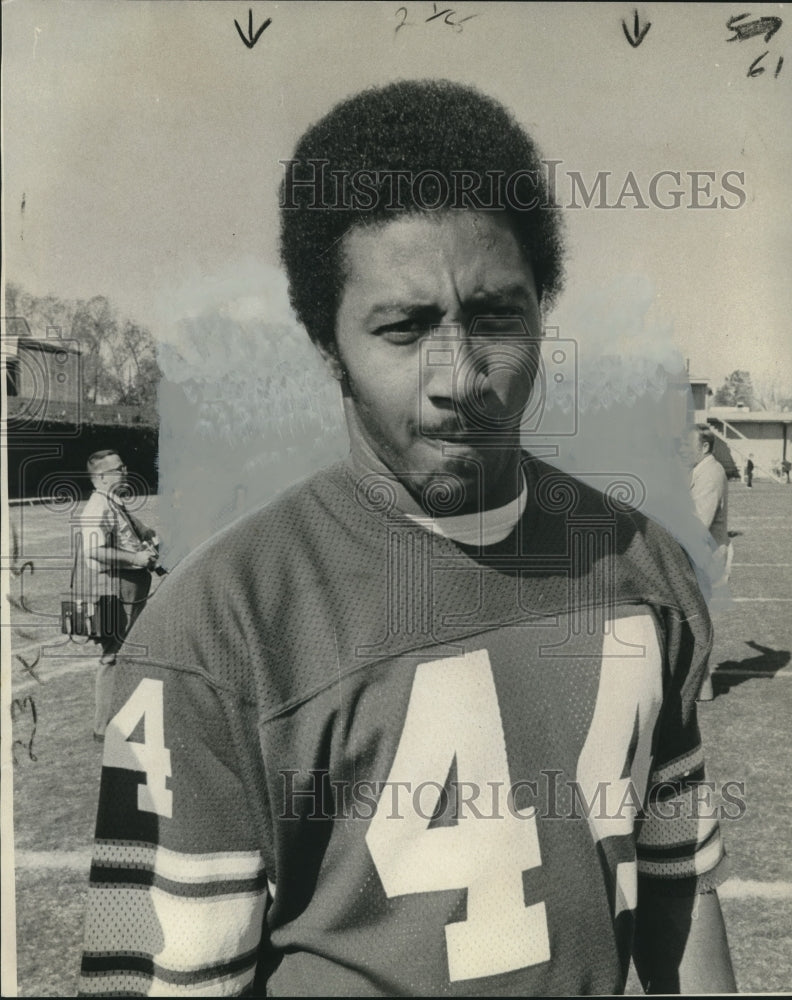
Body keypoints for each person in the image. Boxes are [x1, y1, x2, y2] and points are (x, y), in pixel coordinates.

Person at [78, 81, 735, 996]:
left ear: (543, 312)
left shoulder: (644, 569)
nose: (459, 375)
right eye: (404, 326)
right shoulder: (211, 631)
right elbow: (149, 979)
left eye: (497, 315)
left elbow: (677, 887)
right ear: (327, 345)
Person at [77, 449, 160, 739]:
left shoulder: (114, 502)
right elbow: (94, 550)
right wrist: (135, 559)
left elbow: (133, 533)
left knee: (129, 649)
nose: (124, 471)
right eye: (117, 469)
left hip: (130, 583)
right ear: (100, 477)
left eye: (124, 466)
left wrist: (148, 537)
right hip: (115, 585)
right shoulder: (96, 507)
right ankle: (104, 727)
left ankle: (123, 718)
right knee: (114, 654)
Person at [685, 425, 732, 700]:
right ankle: (700, 686)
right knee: (693, 618)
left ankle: (701, 687)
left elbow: (698, 523)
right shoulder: (702, 470)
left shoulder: (710, 474)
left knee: (695, 619)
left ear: (704, 447)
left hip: (704, 556)